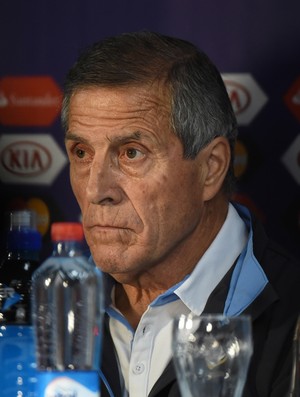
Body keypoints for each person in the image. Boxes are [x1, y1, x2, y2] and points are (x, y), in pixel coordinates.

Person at [61, 31, 300, 397]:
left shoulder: (293, 316)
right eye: (81, 153)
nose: (95, 191)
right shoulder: (43, 311)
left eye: (131, 153)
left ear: (211, 168)